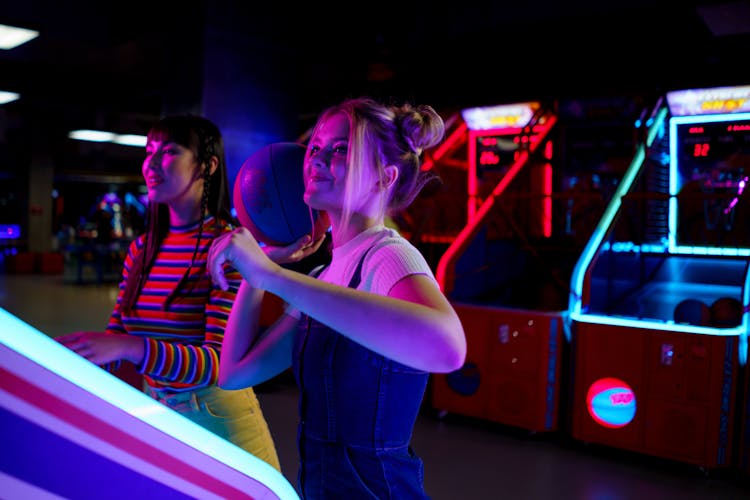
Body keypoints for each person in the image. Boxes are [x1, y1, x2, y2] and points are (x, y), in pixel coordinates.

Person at [208, 97, 467, 498]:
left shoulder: (388, 256)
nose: (316, 158)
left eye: (341, 148)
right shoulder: (323, 276)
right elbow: (236, 372)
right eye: (315, 147)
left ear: (384, 178)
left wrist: (271, 275)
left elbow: (448, 349)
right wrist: (255, 277)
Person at [55, 114, 322, 472]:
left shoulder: (229, 247)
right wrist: (75, 355)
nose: (151, 163)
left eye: (168, 151)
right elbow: (117, 337)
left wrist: (131, 348)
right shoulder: (142, 250)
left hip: (219, 423)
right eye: (149, 151)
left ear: (207, 166)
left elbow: (218, 363)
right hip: (160, 416)